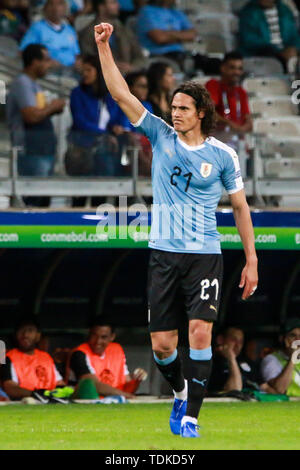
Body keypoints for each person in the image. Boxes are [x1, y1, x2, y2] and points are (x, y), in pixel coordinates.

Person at [94, 22, 258, 438]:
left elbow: (240, 206)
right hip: (164, 254)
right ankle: (181, 390)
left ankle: (192, 418)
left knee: (201, 332)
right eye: (173, 106)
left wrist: (251, 260)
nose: (175, 112)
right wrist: (104, 47)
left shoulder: (222, 155)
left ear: (200, 112)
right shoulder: (160, 136)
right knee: (163, 346)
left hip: (205, 254)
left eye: (183, 107)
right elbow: (120, 94)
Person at [6, 43, 65, 206]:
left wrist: (52, 110)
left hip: (42, 149)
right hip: (30, 149)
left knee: (43, 198)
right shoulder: (22, 83)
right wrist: (52, 106)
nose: (50, 64)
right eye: (46, 60)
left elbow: (39, 112)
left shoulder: (34, 84)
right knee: (33, 198)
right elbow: (31, 116)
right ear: (34, 61)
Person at [67, 54, 121, 178]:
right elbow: (79, 121)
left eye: (89, 70)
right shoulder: (77, 93)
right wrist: (104, 134)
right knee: (81, 191)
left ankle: (121, 199)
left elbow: (115, 117)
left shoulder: (109, 95)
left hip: (105, 150)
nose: (84, 74)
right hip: (83, 148)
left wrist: (116, 127)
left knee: (104, 187)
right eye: (83, 70)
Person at [67, 318, 147, 398]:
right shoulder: (79, 354)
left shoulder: (117, 350)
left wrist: (136, 380)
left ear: (112, 337)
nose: (98, 341)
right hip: (84, 404)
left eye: (103, 337)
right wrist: (125, 396)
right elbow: (93, 385)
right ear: (89, 334)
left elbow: (127, 388)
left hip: (114, 403)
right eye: (94, 336)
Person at [1, 317, 66, 401]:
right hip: (26, 402)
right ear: (16, 335)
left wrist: (62, 391)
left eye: (30, 331)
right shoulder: (9, 357)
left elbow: (59, 382)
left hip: (52, 401)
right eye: (21, 331)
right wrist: (35, 394)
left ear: (38, 335)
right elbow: (10, 388)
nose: (25, 335)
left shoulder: (46, 357)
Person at [79, 0, 146, 74]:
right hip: (102, 77)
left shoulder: (124, 30)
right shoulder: (89, 33)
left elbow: (140, 57)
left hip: (127, 76)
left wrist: (131, 67)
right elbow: (88, 59)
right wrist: (110, 67)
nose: (118, 5)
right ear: (102, 7)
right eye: (113, 2)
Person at [110, 70, 153, 176]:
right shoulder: (119, 105)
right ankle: (151, 171)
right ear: (130, 88)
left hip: (143, 143)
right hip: (125, 143)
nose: (145, 90)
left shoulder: (147, 106)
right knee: (132, 140)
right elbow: (114, 125)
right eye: (141, 86)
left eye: (146, 87)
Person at [20, 0, 81, 69]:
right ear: (45, 8)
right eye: (51, 4)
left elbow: (77, 54)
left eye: (59, 4)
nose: (55, 8)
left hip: (70, 73)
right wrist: (46, 62)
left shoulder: (70, 30)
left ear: (65, 8)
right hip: (46, 73)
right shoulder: (37, 27)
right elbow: (23, 52)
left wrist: (78, 62)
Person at [239, 0, 300, 68]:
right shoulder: (249, 11)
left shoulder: (284, 10)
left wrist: (294, 48)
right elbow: (249, 40)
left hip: (287, 52)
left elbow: (294, 35)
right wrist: (278, 51)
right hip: (263, 53)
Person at [137, 0, 196, 69]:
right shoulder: (147, 11)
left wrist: (169, 33)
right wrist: (181, 36)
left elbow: (193, 35)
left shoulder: (177, 12)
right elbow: (160, 38)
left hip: (181, 55)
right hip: (158, 57)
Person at [206, 52, 252, 138]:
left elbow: (248, 120)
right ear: (223, 68)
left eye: (240, 69)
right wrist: (229, 124)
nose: (236, 72)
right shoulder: (213, 85)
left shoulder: (241, 92)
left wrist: (243, 128)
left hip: (237, 140)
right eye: (232, 68)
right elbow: (208, 111)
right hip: (218, 139)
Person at [208, 327, 263, 393]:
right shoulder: (212, 363)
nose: (238, 345)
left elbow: (265, 387)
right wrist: (231, 358)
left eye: (241, 342)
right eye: (234, 340)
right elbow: (235, 390)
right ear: (220, 340)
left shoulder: (246, 362)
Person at [260, 317, 300, 397]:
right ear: (282, 339)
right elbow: (279, 389)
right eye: (293, 336)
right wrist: (293, 358)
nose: (298, 340)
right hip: (289, 407)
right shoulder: (271, 360)